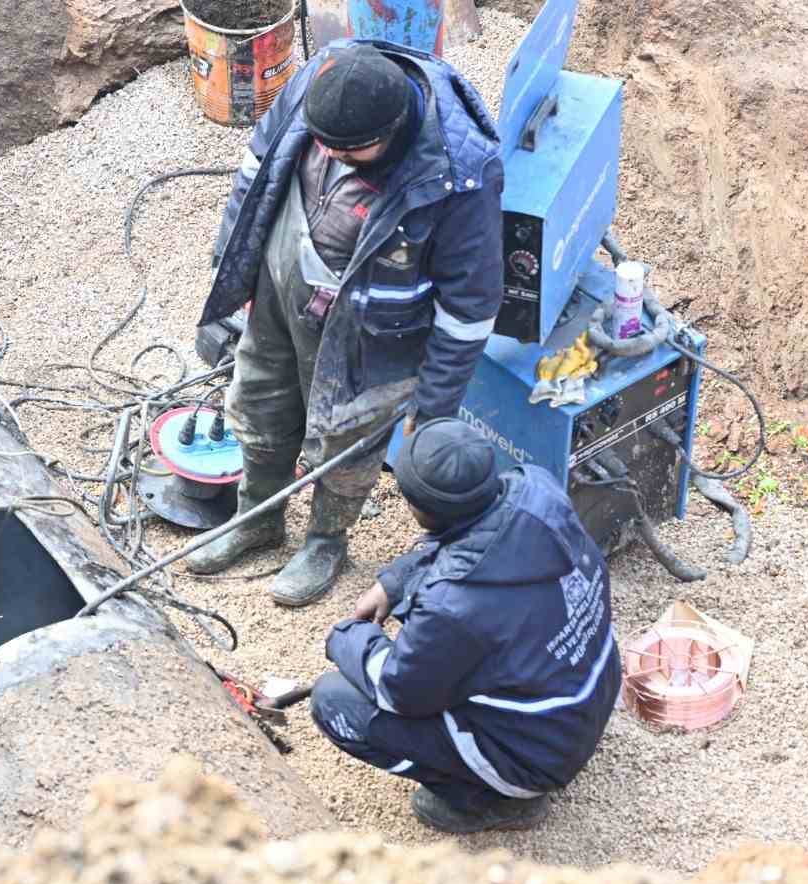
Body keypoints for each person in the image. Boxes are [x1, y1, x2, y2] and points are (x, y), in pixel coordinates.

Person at [189, 40, 505, 606]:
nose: (331, 157)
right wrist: (230, 267)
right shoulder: (322, 79)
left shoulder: (459, 174)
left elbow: (470, 308)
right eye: (323, 146)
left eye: (349, 150)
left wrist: (432, 413)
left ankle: (325, 540)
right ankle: (257, 518)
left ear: (396, 127)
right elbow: (255, 173)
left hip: (371, 333)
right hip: (282, 290)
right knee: (258, 400)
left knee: (346, 439)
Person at [310, 419, 621, 833]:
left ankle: (494, 800)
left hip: (534, 757)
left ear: (420, 510)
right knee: (461, 640)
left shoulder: (451, 606)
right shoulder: (538, 488)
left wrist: (348, 638)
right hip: (586, 698)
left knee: (333, 701)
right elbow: (472, 538)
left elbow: (398, 694)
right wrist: (394, 581)